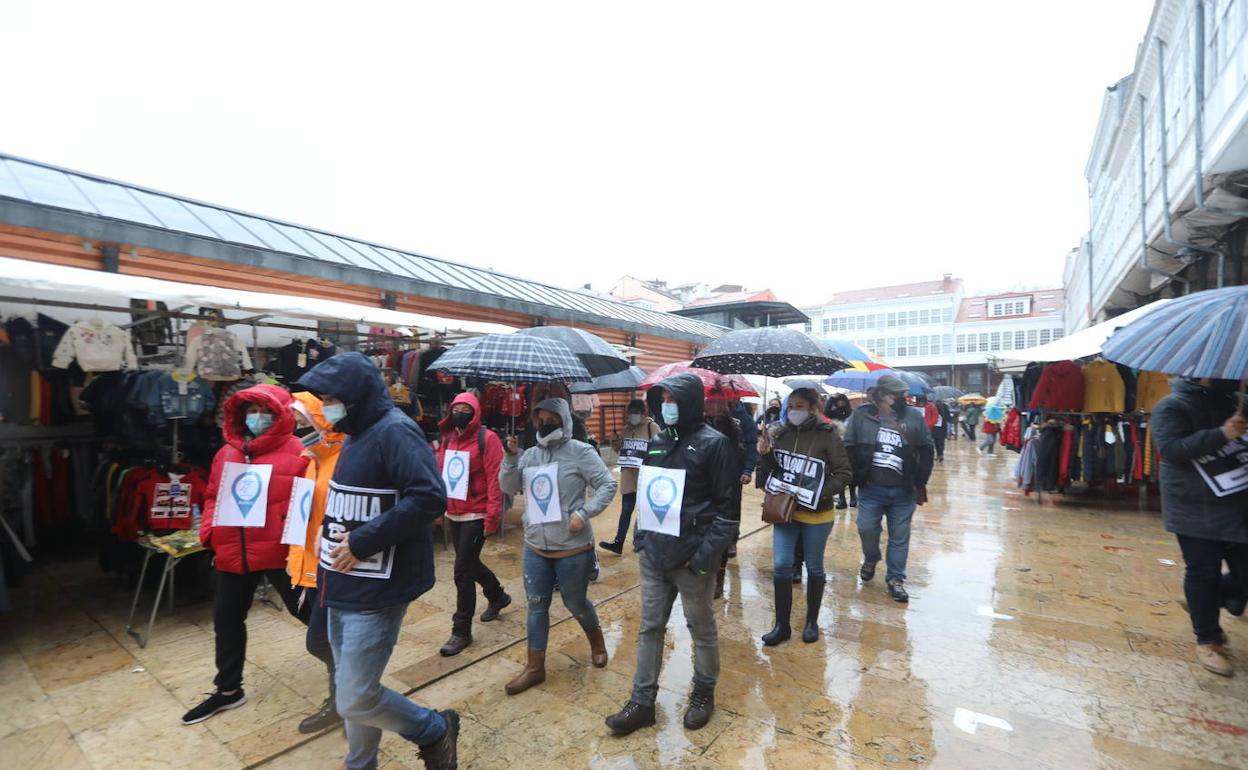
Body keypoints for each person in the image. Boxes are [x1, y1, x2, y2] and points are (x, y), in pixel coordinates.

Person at [297, 352, 459, 770]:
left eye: (332, 399)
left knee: (354, 697)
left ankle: (434, 729)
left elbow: (429, 497)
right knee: (356, 688)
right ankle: (361, 763)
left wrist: (363, 540)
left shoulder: (395, 432)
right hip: (341, 581)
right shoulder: (354, 434)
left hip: (378, 588)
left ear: (356, 396)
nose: (326, 407)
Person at [606, 373, 738, 736]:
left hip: (693, 560)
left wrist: (703, 557)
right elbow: (650, 493)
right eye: (663, 400)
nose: (667, 406)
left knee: (701, 628)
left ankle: (703, 692)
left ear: (690, 402)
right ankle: (642, 702)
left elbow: (728, 513)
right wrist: (641, 537)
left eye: (673, 400)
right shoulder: (659, 441)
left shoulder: (716, 445)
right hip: (655, 555)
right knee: (649, 627)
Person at [183, 385, 309, 726]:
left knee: (310, 615)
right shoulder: (227, 453)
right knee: (226, 619)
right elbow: (212, 494)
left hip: (280, 551)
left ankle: (346, 678)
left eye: (265, 411)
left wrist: (292, 538)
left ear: (280, 414)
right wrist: (209, 531)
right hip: (233, 549)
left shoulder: (298, 451)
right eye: (251, 411)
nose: (257, 417)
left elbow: (307, 503)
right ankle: (228, 690)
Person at [498, 398, 618, 695]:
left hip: (572, 547)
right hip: (535, 545)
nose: (544, 425)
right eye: (540, 420)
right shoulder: (530, 456)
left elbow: (608, 484)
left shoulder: (581, 452)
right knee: (536, 605)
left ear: (564, 421)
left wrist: (584, 513)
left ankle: (597, 642)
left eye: (551, 419)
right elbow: (508, 487)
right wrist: (510, 458)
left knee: (574, 602)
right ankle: (534, 667)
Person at [1152, 378, 1248, 677]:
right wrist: (1223, 434)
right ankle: (1209, 640)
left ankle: (1209, 598)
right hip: (1194, 506)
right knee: (1203, 571)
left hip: (1239, 501)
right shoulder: (1172, 406)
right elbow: (1171, 448)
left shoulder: (1238, 402)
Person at [757, 387, 852, 645]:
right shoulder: (780, 433)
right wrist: (765, 454)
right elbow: (773, 470)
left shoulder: (828, 435)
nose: (794, 411)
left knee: (814, 566)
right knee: (781, 564)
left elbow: (844, 473)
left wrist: (818, 493)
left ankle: (811, 621)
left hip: (817, 514)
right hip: (785, 511)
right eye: (791, 406)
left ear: (813, 408)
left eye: (799, 406)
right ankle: (781, 625)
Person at [843, 375, 934, 604]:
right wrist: (855, 476)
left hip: (903, 490)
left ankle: (896, 579)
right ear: (882, 395)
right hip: (871, 488)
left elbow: (926, 448)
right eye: (897, 394)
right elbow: (849, 445)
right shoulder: (861, 415)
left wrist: (920, 479)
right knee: (866, 528)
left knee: (900, 536)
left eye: (903, 394)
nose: (903, 398)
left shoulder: (913, 416)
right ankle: (871, 558)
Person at [435, 392, 512, 658]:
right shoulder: (447, 439)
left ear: (476, 412)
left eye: (466, 409)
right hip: (454, 512)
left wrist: (493, 516)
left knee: (462, 571)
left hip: (476, 514)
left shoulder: (487, 439)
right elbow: (441, 475)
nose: (460, 413)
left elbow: (494, 480)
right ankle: (497, 595)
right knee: (469, 563)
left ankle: (461, 630)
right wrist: (438, 507)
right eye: (456, 409)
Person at [287, 392, 345, 734]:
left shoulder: (343, 458)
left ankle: (350, 698)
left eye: (303, 421)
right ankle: (342, 700)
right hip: (312, 563)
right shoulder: (312, 459)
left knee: (321, 641)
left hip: (335, 565)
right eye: (296, 421)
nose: (298, 428)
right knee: (329, 641)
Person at [600, 399, 660, 555]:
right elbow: (620, 450)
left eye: (636, 412)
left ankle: (644, 541)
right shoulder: (626, 429)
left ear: (643, 413)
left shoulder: (651, 427)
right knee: (626, 509)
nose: (633, 415)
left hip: (645, 476)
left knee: (645, 510)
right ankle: (618, 542)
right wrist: (615, 440)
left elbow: (661, 448)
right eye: (631, 412)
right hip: (628, 477)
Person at [825, 394, 858, 508]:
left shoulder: (852, 413)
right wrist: (831, 399)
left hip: (850, 446)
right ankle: (842, 499)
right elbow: (826, 413)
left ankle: (853, 497)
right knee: (838, 473)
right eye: (838, 401)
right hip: (836, 446)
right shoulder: (834, 413)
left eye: (841, 401)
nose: (840, 403)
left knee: (851, 473)